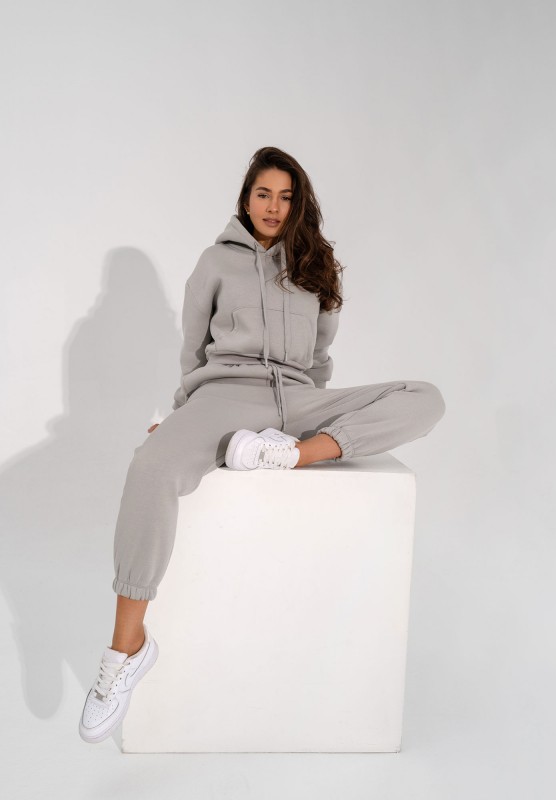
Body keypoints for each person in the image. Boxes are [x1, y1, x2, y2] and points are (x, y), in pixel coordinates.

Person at [78, 146, 446, 743]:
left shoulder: (316, 267)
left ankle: (290, 454)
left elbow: (320, 357)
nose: (273, 207)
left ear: (298, 205)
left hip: (298, 403)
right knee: (150, 467)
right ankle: (126, 650)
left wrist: (306, 426)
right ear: (246, 200)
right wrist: (184, 421)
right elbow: (193, 351)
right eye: (263, 194)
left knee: (425, 397)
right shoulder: (214, 262)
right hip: (225, 395)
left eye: (285, 197)